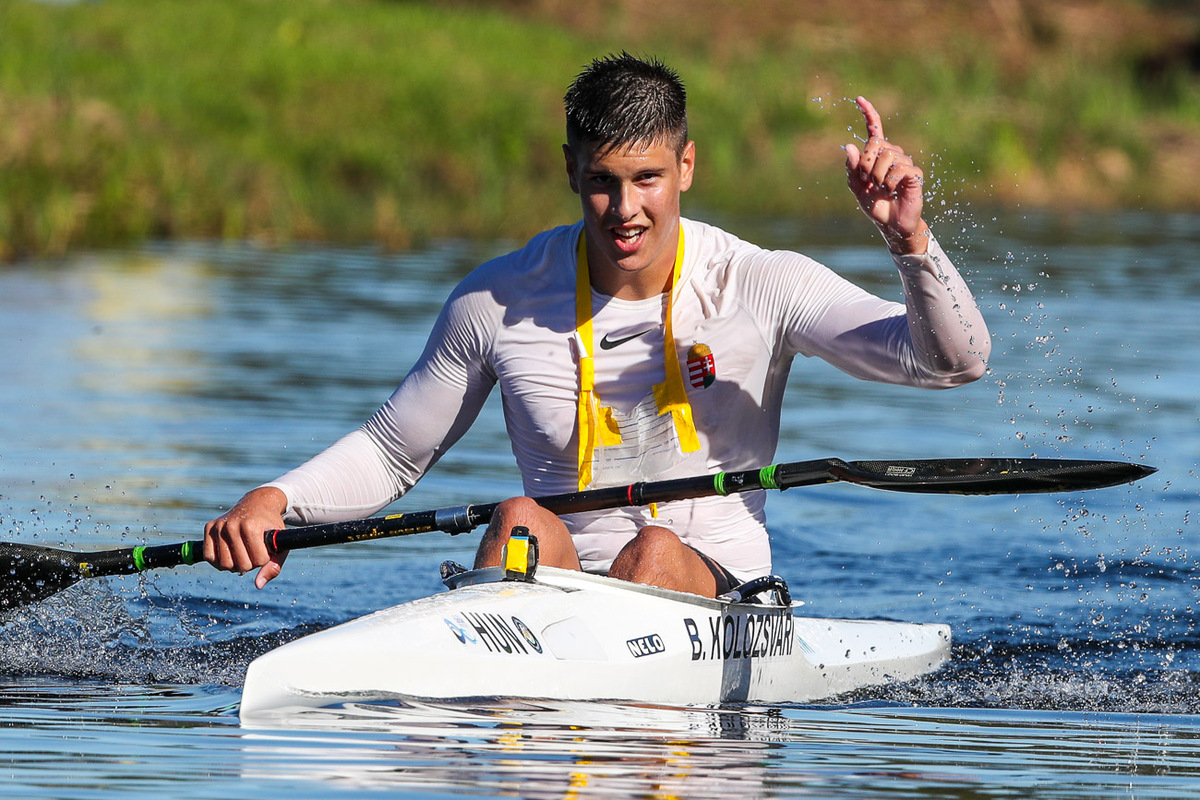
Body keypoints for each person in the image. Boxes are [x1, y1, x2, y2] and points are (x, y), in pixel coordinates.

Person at [204, 53, 991, 597]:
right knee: (516, 516)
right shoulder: (497, 301)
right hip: (552, 597)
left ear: (686, 167)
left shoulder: (759, 282)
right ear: (570, 171)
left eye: (648, 178)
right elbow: (389, 453)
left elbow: (951, 363)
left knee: (651, 550)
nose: (625, 210)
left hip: (718, 593)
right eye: (602, 183)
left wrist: (908, 241)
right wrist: (274, 500)